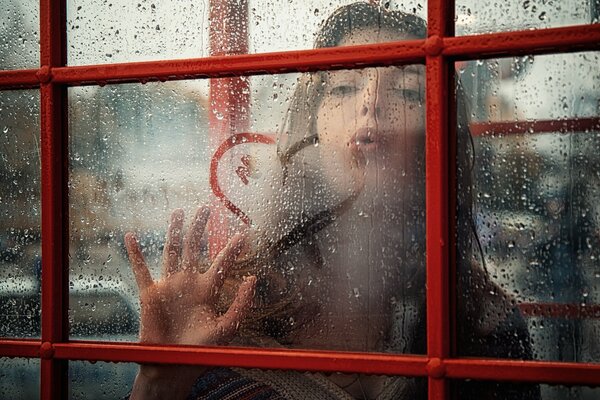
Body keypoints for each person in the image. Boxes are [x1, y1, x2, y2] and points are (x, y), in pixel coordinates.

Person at [125, 3, 539, 399]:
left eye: (410, 92)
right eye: (343, 87)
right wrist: (160, 383)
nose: (371, 107)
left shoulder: (482, 322)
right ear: (312, 121)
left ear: (438, 132)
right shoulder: (222, 305)